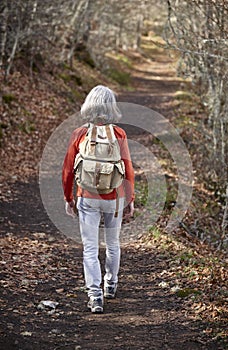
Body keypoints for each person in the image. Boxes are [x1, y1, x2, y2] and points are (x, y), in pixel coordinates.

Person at [62, 85, 134, 313]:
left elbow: (67, 170)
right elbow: (128, 170)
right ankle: (110, 285)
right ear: (111, 106)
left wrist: (68, 197)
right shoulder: (119, 134)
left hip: (87, 198)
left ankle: (94, 296)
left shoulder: (79, 134)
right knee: (113, 244)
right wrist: (129, 199)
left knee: (90, 248)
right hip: (113, 199)